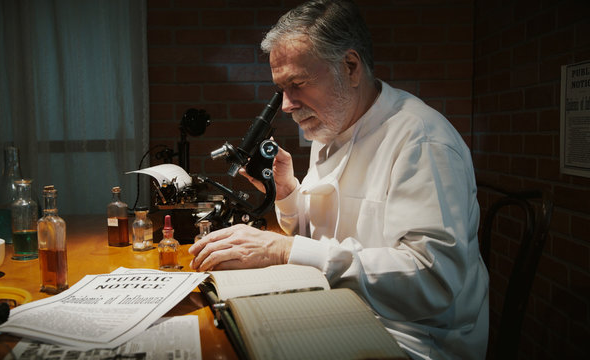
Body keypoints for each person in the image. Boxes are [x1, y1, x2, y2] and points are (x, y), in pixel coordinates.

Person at [189, 0, 489, 359]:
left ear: (350, 67)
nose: (286, 104)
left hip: (414, 339)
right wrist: (286, 192)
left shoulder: (421, 139)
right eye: (280, 88)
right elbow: (321, 239)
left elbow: (433, 280)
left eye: (297, 83)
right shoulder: (331, 128)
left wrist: (284, 251)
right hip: (345, 309)